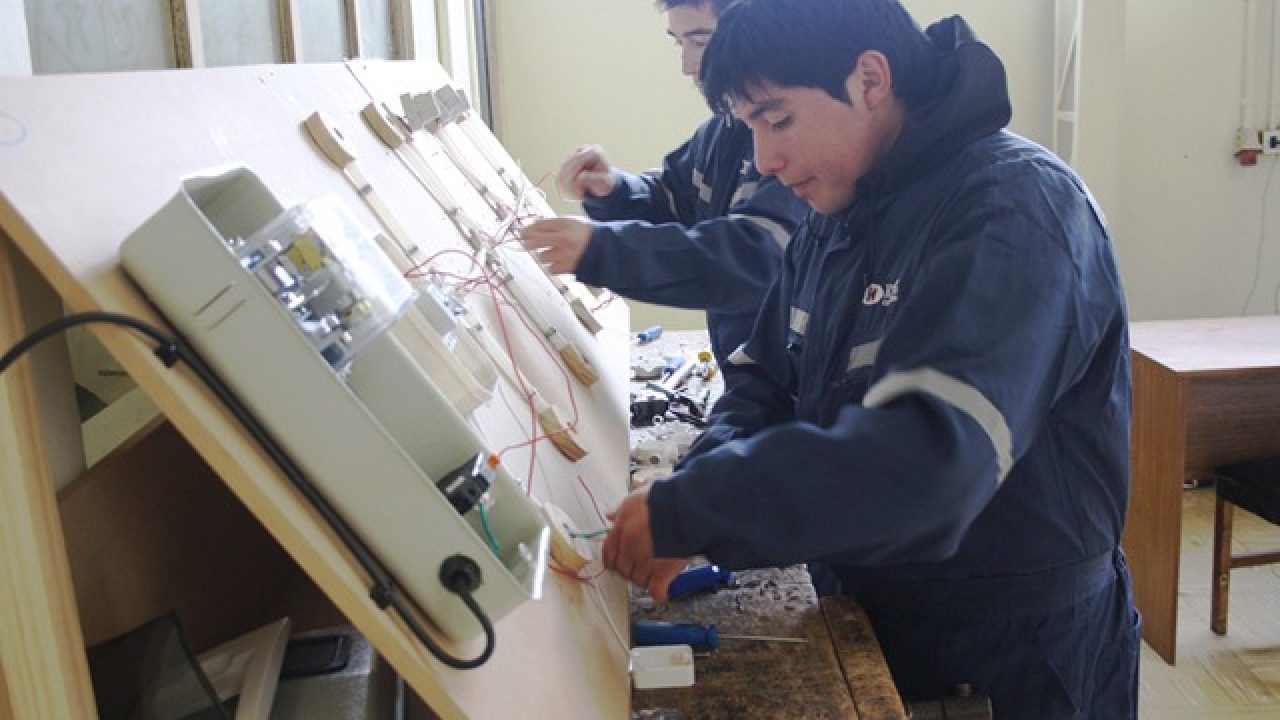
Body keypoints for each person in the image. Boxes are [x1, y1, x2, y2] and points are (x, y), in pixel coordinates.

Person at [601, 0, 1141, 717]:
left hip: (1013, 653)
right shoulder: (841, 211)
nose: (764, 159)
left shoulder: (1016, 210)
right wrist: (698, 488)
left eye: (778, 119)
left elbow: (930, 465)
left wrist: (702, 508)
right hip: (870, 611)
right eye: (749, 127)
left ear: (870, 79)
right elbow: (764, 382)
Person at [520, 0, 806, 367]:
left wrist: (601, 251)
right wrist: (615, 191)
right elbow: (675, 200)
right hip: (751, 377)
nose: (687, 66)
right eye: (678, 42)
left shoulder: (799, 139)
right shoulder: (724, 129)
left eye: (700, 42)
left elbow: (755, 257)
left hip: (796, 385)